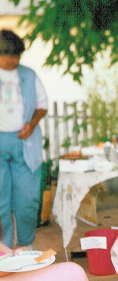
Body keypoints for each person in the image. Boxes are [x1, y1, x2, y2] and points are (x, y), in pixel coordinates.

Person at [0, 29, 48, 249]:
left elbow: (42, 105)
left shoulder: (29, 75)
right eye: (10, 55)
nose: (15, 60)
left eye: (18, 55)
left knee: (27, 200)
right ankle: (4, 250)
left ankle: (25, 245)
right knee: (1, 202)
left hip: (25, 145)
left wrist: (32, 123)